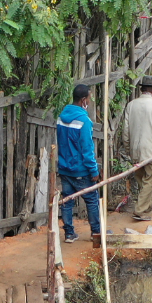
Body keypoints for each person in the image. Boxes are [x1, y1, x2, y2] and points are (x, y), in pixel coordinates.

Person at [119, 77, 152, 220]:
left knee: (141, 178)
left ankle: (146, 204)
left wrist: (128, 148)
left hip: (135, 149)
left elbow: (125, 131)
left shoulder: (131, 105)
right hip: (150, 150)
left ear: (142, 89)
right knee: (149, 179)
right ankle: (140, 210)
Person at [56, 82, 101, 244]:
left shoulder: (61, 117)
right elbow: (87, 149)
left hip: (64, 167)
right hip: (81, 170)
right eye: (89, 98)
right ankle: (96, 233)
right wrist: (94, 170)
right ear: (83, 100)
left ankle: (69, 234)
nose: (89, 101)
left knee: (67, 200)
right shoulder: (84, 121)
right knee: (92, 200)